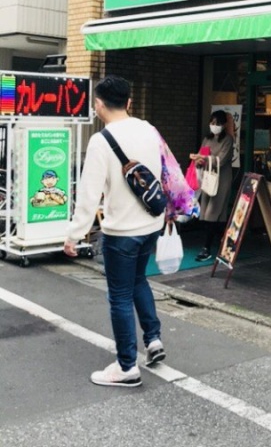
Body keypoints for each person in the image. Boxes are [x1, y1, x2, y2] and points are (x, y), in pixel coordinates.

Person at [63, 75, 166, 388]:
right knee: (138, 280)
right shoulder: (149, 130)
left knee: (119, 296)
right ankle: (153, 340)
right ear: (130, 102)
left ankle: (126, 368)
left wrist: (74, 234)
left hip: (121, 231)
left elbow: (89, 193)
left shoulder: (101, 141)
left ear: (98, 105)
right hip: (151, 224)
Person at [191, 110, 234, 262]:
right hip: (208, 178)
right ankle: (226, 242)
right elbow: (201, 155)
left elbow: (221, 160)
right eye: (212, 123)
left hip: (221, 179)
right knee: (212, 214)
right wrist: (198, 159)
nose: (214, 126)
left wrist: (203, 158)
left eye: (217, 123)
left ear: (223, 124)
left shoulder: (228, 140)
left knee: (212, 213)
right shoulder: (207, 139)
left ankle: (206, 248)